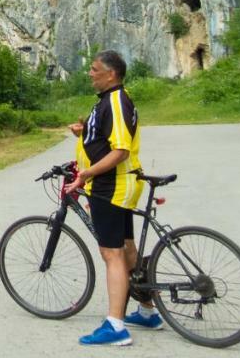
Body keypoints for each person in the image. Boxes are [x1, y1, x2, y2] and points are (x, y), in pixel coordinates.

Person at [63, 50, 161, 346]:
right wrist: (84, 133)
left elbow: (120, 151)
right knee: (127, 246)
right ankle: (147, 310)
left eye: (94, 70)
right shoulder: (111, 100)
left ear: (111, 74)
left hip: (112, 185)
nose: (90, 74)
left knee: (112, 253)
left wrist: (86, 174)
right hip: (119, 184)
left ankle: (115, 326)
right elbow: (107, 139)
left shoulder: (116, 101)